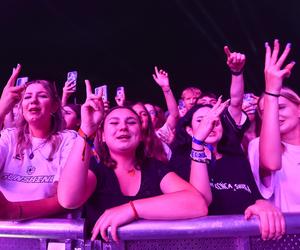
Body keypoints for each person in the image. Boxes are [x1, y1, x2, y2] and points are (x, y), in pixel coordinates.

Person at [57, 80, 208, 242]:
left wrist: (132, 209)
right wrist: (87, 129)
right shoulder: (96, 169)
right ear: (103, 137)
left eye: (131, 122)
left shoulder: (155, 168)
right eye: (114, 123)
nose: (123, 127)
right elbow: (68, 199)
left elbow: (197, 204)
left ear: (141, 135)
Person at [170, 47, 285, 240]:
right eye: (201, 120)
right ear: (189, 130)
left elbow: (254, 196)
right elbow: (199, 203)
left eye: (215, 120)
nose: (210, 124)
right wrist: (198, 145)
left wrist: (262, 204)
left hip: (244, 243)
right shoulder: (180, 161)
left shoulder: (236, 159)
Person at [0, 64, 77, 220]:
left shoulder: (68, 140)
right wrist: (1, 110)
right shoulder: (9, 137)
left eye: (42, 96)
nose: (33, 100)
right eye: (27, 97)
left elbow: (64, 198)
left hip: (47, 233)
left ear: (55, 106)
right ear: (21, 107)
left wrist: (15, 211)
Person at [248, 40, 299, 212]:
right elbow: (271, 163)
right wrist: (271, 92)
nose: (275, 114)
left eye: (281, 107)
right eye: (268, 111)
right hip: (290, 238)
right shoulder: (258, 146)